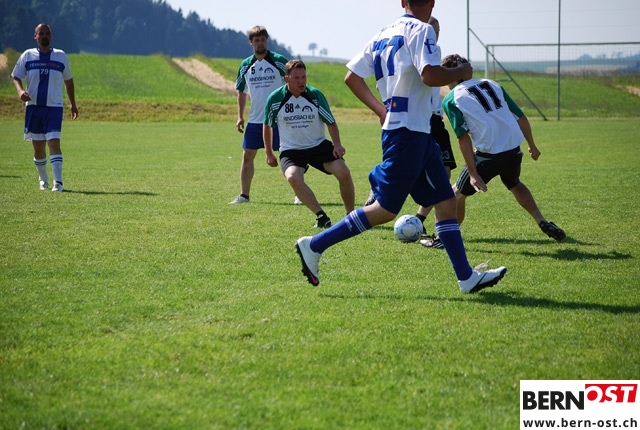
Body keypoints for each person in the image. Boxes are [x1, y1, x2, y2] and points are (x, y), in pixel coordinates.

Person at [294, 0, 507, 294]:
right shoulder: (422, 29)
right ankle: (314, 245)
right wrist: (462, 69)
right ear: (432, 3)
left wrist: (382, 110)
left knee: (446, 201)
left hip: (416, 132)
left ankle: (466, 277)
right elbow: (430, 75)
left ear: (403, 2)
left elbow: (351, 77)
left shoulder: (383, 33)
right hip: (408, 133)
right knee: (384, 210)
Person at [440, 54, 566, 242]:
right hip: (513, 150)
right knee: (514, 183)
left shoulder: (451, 99)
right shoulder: (492, 84)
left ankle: (447, 238)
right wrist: (532, 145)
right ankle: (542, 221)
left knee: (456, 194)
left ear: (452, 74)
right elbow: (521, 117)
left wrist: (473, 173)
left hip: (488, 156)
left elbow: (463, 137)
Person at [363, 15, 455, 249]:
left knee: (444, 175)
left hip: (433, 119)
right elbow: (428, 77)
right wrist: (461, 71)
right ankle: (380, 182)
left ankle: (422, 221)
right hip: (418, 119)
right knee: (395, 198)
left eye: (437, 31)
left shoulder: (430, 49)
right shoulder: (417, 44)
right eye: (432, 30)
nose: (434, 34)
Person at [264, 59, 354, 228]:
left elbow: (330, 122)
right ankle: (321, 217)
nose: (301, 81)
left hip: (318, 146)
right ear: (287, 78)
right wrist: (268, 152)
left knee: (344, 172)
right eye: (296, 78)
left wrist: (337, 144)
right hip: (291, 150)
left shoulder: (315, 95)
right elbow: (267, 125)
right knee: (293, 177)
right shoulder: (275, 99)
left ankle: (351, 217)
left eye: (304, 77)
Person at [229, 26, 294, 204]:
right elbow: (241, 92)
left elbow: (294, 84)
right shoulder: (245, 65)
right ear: (251, 42)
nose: (260, 43)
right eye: (256, 40)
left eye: (263, 40)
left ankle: (298, 194)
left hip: (279, 120)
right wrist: (240, 116)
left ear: (267, 40)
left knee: (290, 156)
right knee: (247, 156)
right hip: (255, 120)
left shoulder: (279, 61)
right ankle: (244, 195)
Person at [11, 23, 78, 192]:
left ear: (51, 36)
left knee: (54, 142)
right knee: (38, 147)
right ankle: (43, 180)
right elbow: (16, 76)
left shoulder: (60, 56)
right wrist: (20, 92)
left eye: (47, 33)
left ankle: (58, 183)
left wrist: (73, 104)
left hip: (54, 107)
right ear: (35, 36)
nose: (45, 36)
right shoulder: (28, 56)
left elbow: (69, 81)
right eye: (41, 33)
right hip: (34, 108)